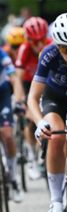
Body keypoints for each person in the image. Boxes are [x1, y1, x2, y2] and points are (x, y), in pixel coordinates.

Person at [27, 13, 67, 212]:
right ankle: (56, 201)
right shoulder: (48, 54)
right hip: (55, 100)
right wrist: (38, 122)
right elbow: (33, 98)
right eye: (65, 49)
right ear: (57, 46)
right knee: (55, 135)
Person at [16, 16, 52, 180]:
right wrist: (20, 100)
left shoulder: (51, 46)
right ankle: (31, 157)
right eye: (34, 41)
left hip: (46, 87)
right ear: (28, 39)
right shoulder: (24, 49)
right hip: (27, 86)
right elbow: (18, 77)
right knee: (31, 120)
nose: (38, 45)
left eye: (41, 40)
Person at [0, 47, 25, 202]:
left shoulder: (1, 54)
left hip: (2, 95)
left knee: (8, 135)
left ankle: (14, 180)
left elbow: (14, 78)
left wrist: (18, 99)